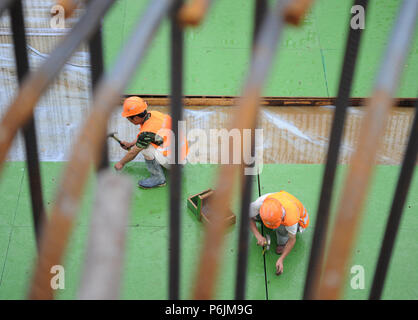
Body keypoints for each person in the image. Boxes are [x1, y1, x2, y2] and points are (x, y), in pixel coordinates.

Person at [114, 96, 188, 188]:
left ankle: (158, 178)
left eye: (128, 118)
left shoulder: (147, 132)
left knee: (145, 149)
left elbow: (133, 152)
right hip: (182, 155)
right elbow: (145, 134)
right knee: (146, 143)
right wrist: (130, 144)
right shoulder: (153, 114)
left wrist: (121, 163)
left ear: (136, 118)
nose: (128, 120)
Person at [249, 190, 309, 275]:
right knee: (254, 215)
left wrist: (281, 259)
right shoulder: (260, 203)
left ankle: (282, 242)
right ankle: (268, 221)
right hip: (277, 208)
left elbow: (292, 240)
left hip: (299, 220)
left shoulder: (291, 219)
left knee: (282, 229)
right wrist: (257, 235)